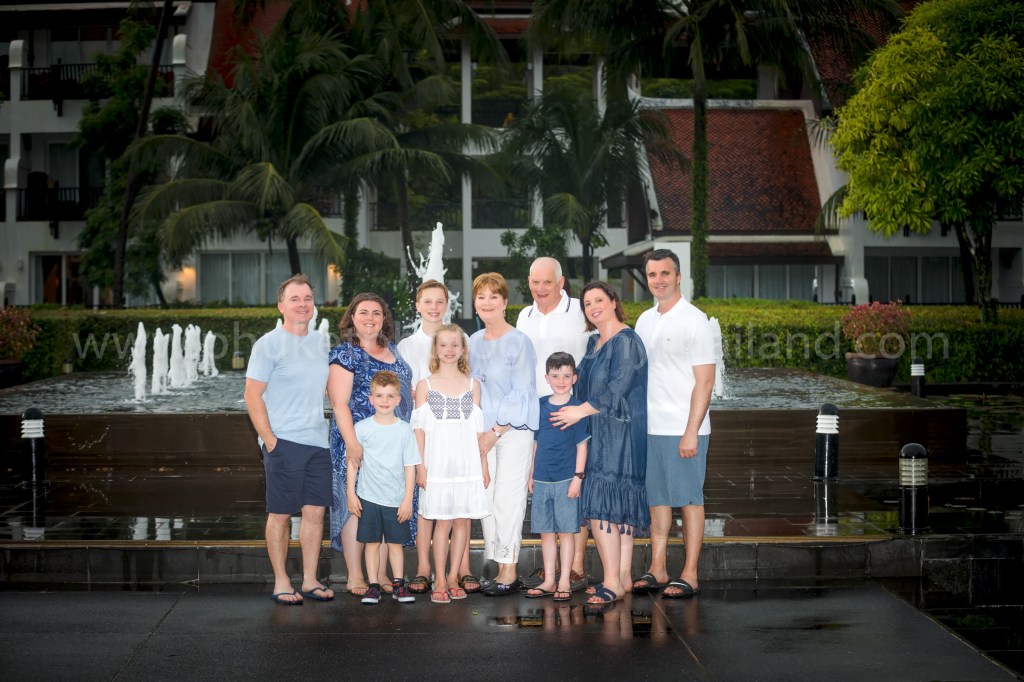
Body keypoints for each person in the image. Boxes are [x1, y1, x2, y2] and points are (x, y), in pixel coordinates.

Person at [552, 281, 649, 606]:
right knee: (616, 506)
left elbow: (617, 388)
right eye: (587, 303)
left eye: (598, 300)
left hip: (620, 431)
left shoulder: (627, 340)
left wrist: (579, 410)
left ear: (613, 301)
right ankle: (621, 577)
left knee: (605, 505)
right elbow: (582, 384)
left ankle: (611, 580)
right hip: (600, 428)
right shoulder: (594, 342)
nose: (593, 307)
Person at [244, 274, 334, 605]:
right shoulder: (268, 344)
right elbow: (252, 396)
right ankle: (282, 580)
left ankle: (309, 579)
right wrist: (270, 440)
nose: (302, 304)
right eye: (295, 299)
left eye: (308, 298)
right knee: (281, 514)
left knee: (314, 514)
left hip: (317, 442)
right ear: (281, 305)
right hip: (283, 442)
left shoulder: (320, 342)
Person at [633, 249, 715, 599]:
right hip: (651, 427)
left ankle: (691, 574)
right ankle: (658, 568)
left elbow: (706, 382)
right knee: (658, 500)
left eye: (665, 273)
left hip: (684, 427)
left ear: (678, 276)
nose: (659, 280)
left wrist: (691, 430)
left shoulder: (694, 320)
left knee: (689, 500)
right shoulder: (644, 320)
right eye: (653, 275)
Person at [327, 292, 415, 596]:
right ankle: (355, 576)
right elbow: (339, 403)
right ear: (352, 317)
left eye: (376, 313)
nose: (370, 318)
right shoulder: (345, 354)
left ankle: (378, 576)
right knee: (358, 507)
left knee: (384, 505)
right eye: (363, 312)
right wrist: (353, 445)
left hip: (393, 444)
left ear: (384, 319)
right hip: (359, 443)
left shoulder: (392, 349)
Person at [516, 257, 591, 592]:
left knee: (574, 489)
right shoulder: (524, 315)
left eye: (548, 282)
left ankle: (574, 568)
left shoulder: (580, 309)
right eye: (535, 282)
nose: (541, 289)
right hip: (540, 415)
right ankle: (551, 575)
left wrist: (587, 406)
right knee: (548, 494)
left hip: (575, 411)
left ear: (562, 282)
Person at [469, 272, 539, 596]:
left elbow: (521, 392)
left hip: (512, 431)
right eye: (481, 297)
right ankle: (498, 566)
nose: (487, 302)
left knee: (508, 500)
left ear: (505, 302)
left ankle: (510, 571)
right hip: (482, 433)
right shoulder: (472, 342)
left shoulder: (519, 342)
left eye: (493, 296)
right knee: (486, 499)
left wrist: (494, 433)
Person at [412, 324, 491, 604]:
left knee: (462, 521)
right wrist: (421, 466)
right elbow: (419, 431)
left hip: (466, 463)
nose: (449, 350)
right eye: (443, 345)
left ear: (463, 349)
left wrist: (483, 466)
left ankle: (455, 575)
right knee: (442, 522)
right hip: (437, 463)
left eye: (454, 345)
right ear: (435, 349)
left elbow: (478, 433)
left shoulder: (473, 385)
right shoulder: (425, 385)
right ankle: (440, 579)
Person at [397, 279, 454, 595]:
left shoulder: (455, 340)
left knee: (448, 502)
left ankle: (455, 571)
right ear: (417, 306)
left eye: (439, 301)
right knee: (423, 501)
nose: (433, 307)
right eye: (427, 301)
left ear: (447, 305)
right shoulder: (407, 346)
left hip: (449, 433)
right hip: (419, 432)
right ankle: (422, 568)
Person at [347, 370, 421, 605]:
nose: (385, 401)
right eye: (379, 396)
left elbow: (411, 466)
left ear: (398, 400)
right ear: (371, 399)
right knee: (371, 543)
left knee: (395, 544)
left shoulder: (404, 430)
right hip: (368, 497)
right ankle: (374, 586)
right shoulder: (362, 428)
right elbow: (353, 464)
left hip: (396, 500)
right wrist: (351, 494)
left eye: (390, 396)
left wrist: (408, 498)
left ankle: (398, 585)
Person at [525, 352, 590, 601]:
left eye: (566, 375)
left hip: (566, 479)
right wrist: (531, 473)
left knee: (566, 532)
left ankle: (564, 580)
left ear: (574, 378)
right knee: (546, 533)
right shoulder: (541, 405)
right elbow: (535, 442)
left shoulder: (577, 409)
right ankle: (549, 579)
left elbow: (582, 446)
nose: (560, 380)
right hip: (542, 478)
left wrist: (578, 477)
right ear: (546, 377)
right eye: (555, 375)